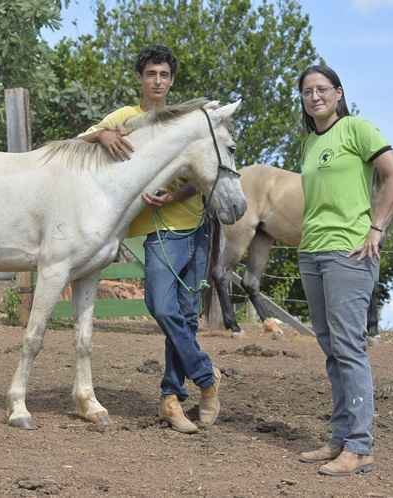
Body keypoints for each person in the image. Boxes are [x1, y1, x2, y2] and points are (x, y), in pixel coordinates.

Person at [79, 44, 221, 434]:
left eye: (164, 75)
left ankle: (170, 398)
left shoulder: (185, 120)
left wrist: (176, 195)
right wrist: (106, 135)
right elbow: (82, 138)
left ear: (172, 81)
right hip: (159, 232)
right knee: (162, 306)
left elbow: (201, 173)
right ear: (140, 79)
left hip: (197, 227)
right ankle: (207, 378)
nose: (158, 81)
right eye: (151, 74)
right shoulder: (128, 117)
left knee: (187, 318)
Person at [295, 65, 393, 476]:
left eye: (322, 89)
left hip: (349, 252)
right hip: (312, 252)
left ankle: (360, 446)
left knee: (349, 348)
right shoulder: (308, 142)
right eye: (307, 92)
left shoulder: (357, 129)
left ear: (338, 93)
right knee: (331, 348)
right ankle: (341, 438)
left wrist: (376, 227)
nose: (315, 97)